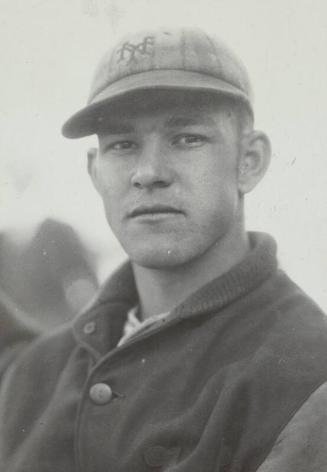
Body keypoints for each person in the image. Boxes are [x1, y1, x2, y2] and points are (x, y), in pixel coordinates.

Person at [1, 27, 327, 472]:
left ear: (249, 161)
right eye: (122, 144)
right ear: (95, 172)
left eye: (187, 138)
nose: (149, 172)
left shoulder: (309, 374)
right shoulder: (35, 375)